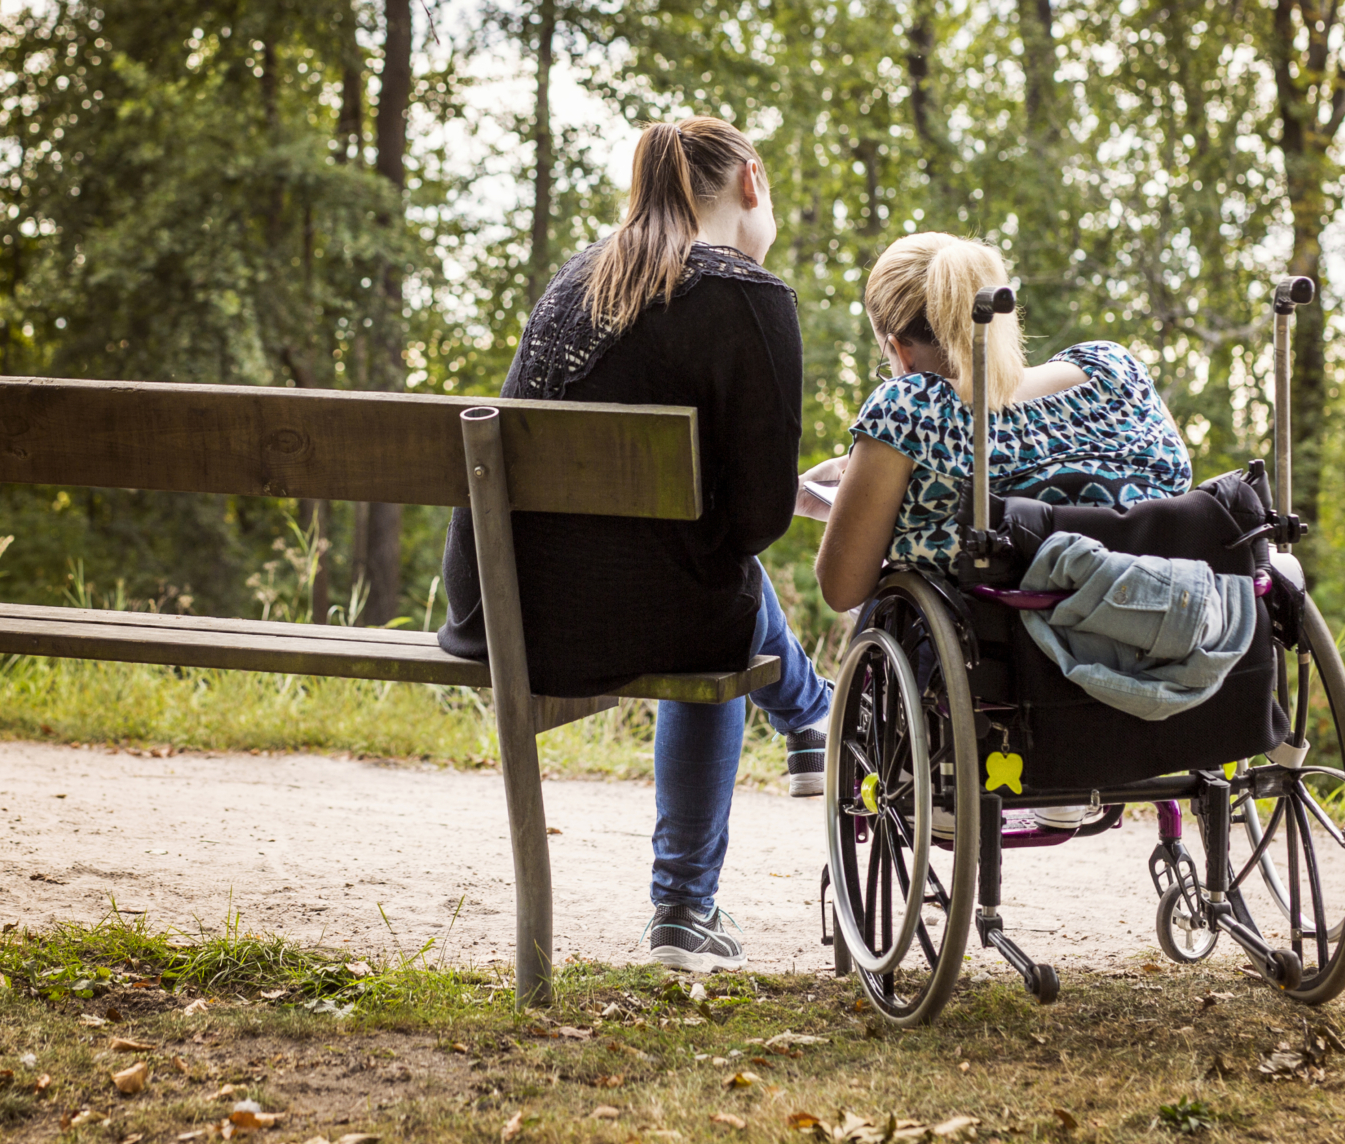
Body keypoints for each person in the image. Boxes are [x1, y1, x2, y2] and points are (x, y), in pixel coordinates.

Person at [437, 117, 833, 975]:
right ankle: (693, 896)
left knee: (709, 587)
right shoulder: (749, 294)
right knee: (716, 598)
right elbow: (755, 524)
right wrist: (776, 499)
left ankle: (812, 719)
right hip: (640, 622)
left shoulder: (583, 274)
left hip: (499, 613)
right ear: (752, 183)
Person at [803, 231, 1194, 614]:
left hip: (1010, 663)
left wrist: (845, 498)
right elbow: (1175, 486)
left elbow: (841, 589)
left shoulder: (908, 407)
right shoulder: (1113, 368)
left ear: (901, 351)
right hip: (1169, 630)